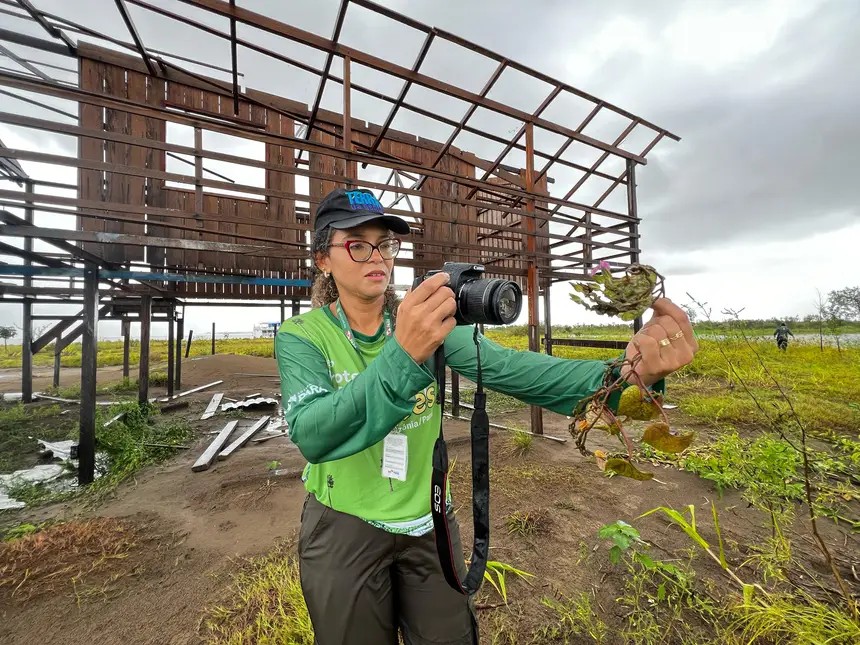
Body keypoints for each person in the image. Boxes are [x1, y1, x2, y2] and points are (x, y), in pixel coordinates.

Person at [275, 187, 698, 645]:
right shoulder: (302, 335)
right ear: (323, 259)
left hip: (427, 520)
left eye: (386, 244)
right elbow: (313, 433)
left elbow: (517, 371)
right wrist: (403, 355)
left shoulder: (426, 326)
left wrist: (625, 378)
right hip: (343, 524)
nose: (377, 255)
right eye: (357, 244)